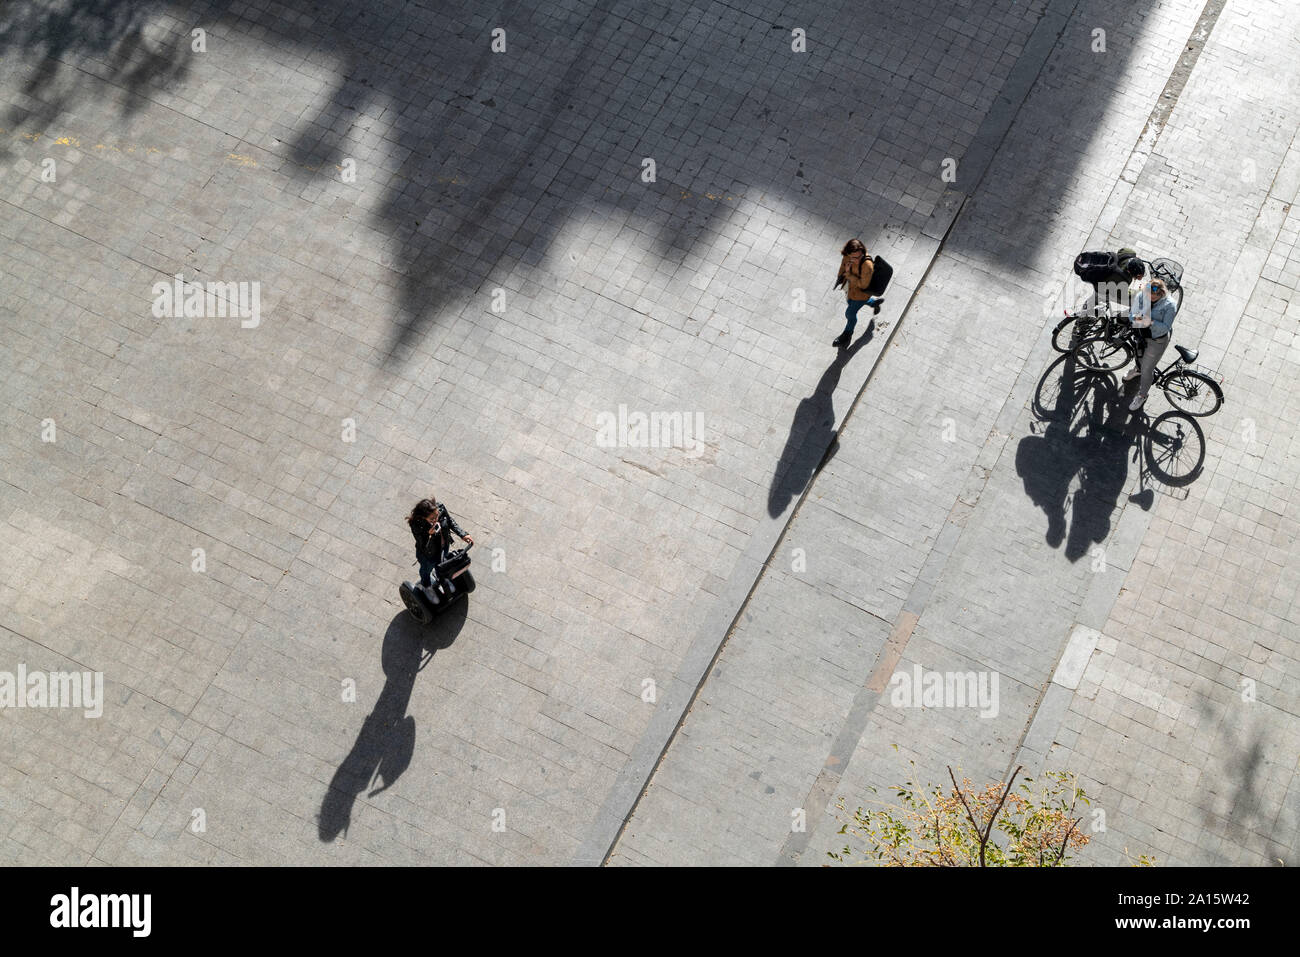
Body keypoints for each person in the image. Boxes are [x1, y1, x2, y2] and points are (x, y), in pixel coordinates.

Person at [1123, 277, 1176, 411]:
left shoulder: (1170, 305)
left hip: (1156, 340)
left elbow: (1165, 327)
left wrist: (1150, 322)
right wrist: (1141, 319)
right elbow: (1132, 315)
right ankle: (1137, 370)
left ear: (1161, 294)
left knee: (1147, 370)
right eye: (1148, 296)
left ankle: (1142, 395)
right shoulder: (1143, 294)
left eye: (1153, 297)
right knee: (1139, 357)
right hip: (1141, 334)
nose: (1150, 299)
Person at [407, 497, 473, 594]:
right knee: (426, 571)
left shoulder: (440, 508)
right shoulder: (417, 524)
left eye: (437, 515)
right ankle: (426, 586)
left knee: (442, 565)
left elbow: (450, 521)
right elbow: (423, 545)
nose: (436, 519)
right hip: (428, 555)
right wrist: (430, 534)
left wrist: (462, 534)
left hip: (443, 546)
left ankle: (442, 579)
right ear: (423, 517)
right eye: (432, 518)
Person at [832, 239, 885, 347]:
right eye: (854, 257)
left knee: (850, 313)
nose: (857, 259)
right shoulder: (848, 255)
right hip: (850, 289)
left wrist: (848, 274)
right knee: (850, 302)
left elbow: (863, 285)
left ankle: (847, 334)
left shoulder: (867, 265)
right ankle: (873, 303)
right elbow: (843, 265)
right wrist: (840, 276)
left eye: (859, 256)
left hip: (861, 294)